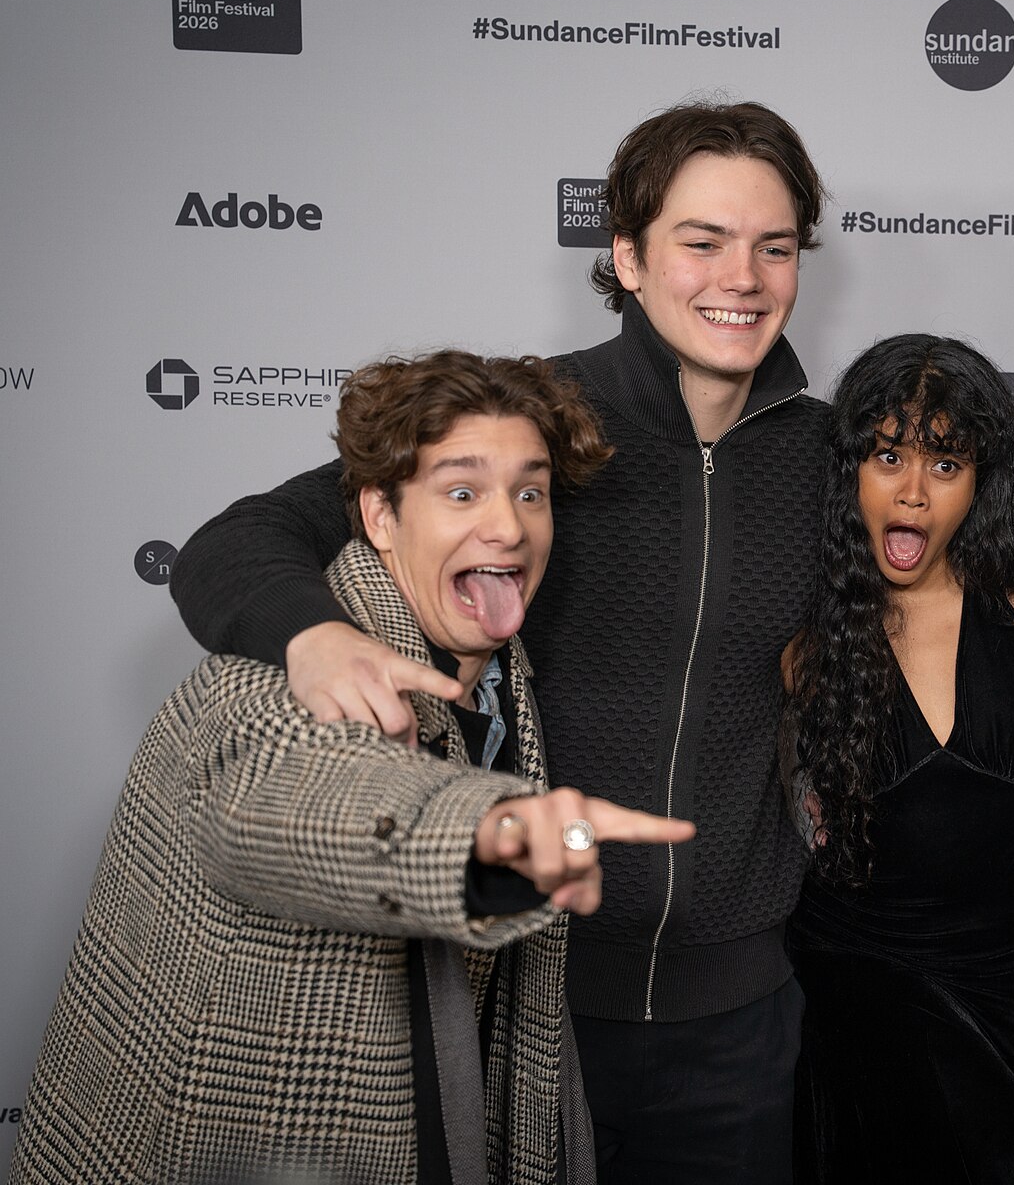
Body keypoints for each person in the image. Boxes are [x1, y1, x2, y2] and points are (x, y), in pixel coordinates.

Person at [165, 100, 1014, 1184]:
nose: (741, 278)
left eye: (773, 247)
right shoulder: (530, 424)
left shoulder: (832, 456)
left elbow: (947, 545)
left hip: (747, 1019)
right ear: (627, 256)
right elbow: (239, 540)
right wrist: (312, 635)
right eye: (703, 241)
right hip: (530, 998)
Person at [11, 350, 694, 1185]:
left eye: (530, 493)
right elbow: (290, 801)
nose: (509, 527)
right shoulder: (277, 678)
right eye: (461, 492)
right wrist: (486, 836)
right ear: (379, 516)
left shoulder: (499, 674)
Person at [781, 334, 1014, 1183]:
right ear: (849, 471)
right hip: (867, 1003)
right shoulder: (806, 648)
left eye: (945, 463)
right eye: (888, 455)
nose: (912, 491)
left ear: (983, 481)